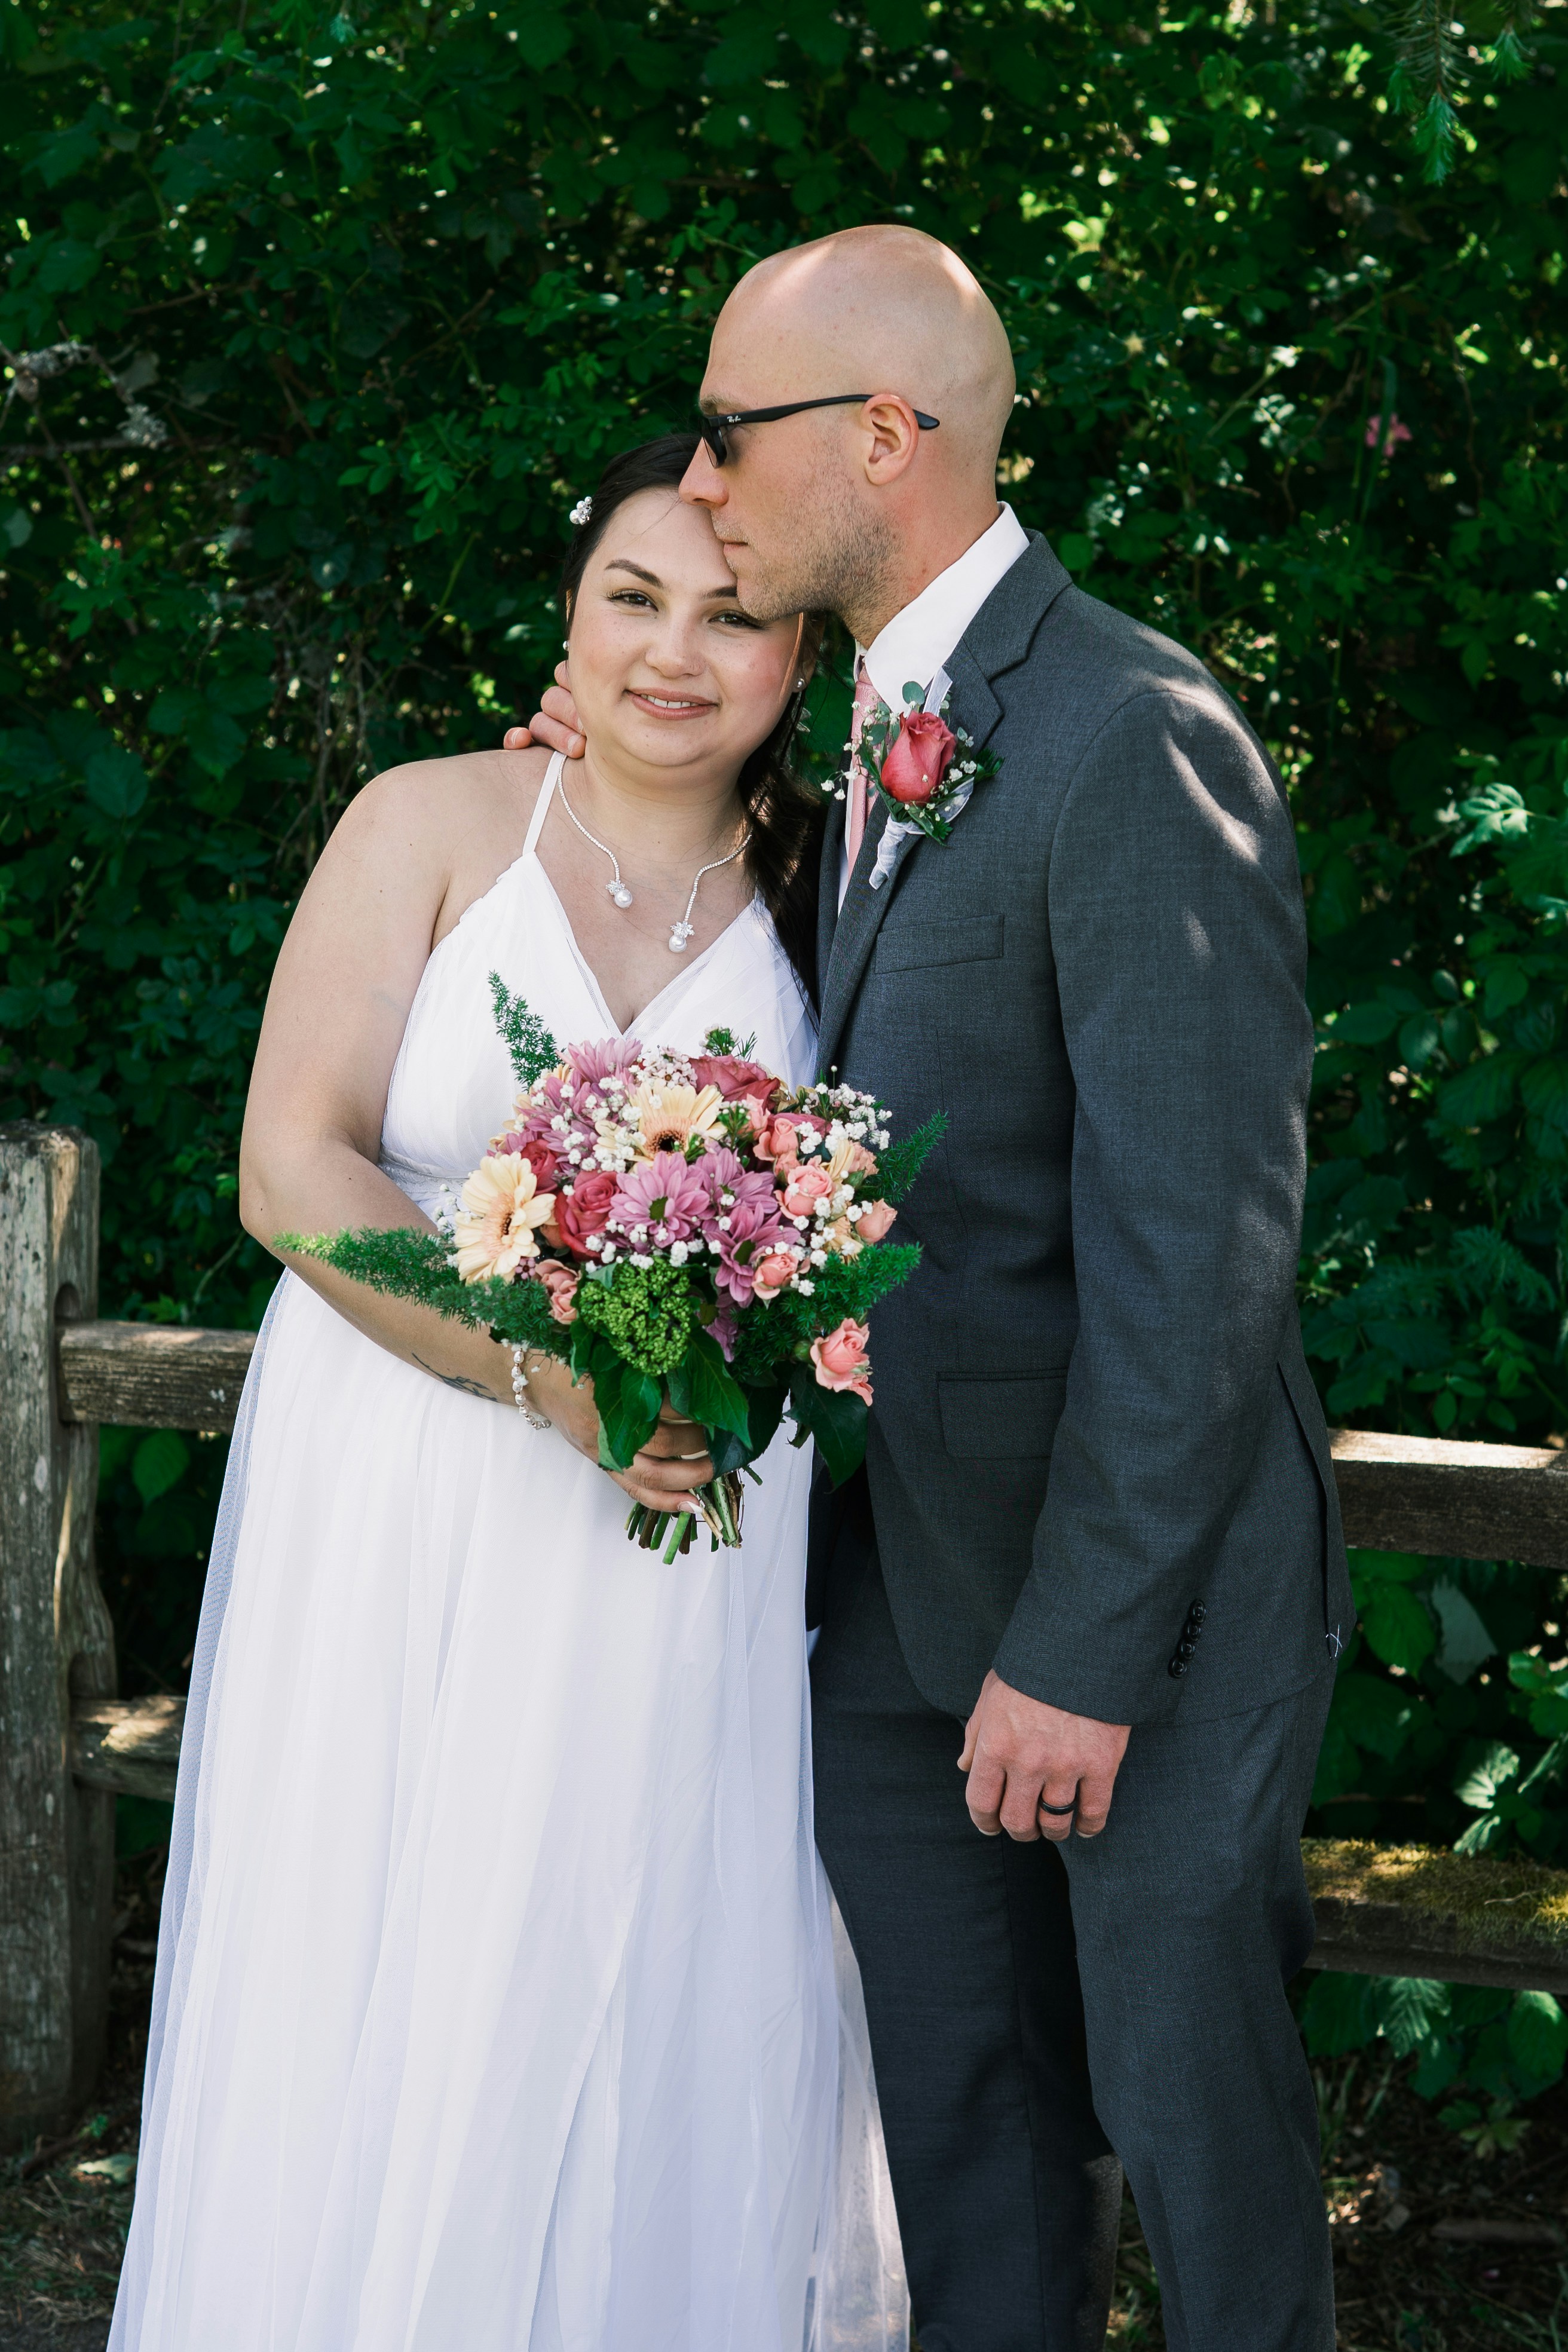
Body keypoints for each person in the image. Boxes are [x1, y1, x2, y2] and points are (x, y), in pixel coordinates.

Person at [510, 226, 1355, 2351]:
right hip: (886, 1597)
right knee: (961, 2134)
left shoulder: (1131, 731)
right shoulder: (869, 732)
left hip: (1122, 1614)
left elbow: (1202, 1247)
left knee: (1198, 2138)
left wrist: (1088, 1652)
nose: (698, 484)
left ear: (884, 435)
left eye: (728, 434)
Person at [111, 435, 908, 2352]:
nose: (672, 651)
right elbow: (293, 1169)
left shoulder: (839, 889)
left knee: (639, 1942)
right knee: (387, 1937)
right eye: (632, 597)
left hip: (675, 1517)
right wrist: (533, 1367)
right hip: (405, 1472)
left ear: (807, 661)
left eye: (732, 616)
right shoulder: (433, 821)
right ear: (569, 610)